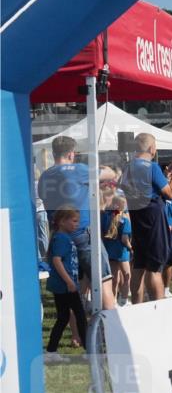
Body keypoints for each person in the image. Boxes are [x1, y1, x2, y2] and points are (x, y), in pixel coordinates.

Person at [36, 135, 115, 310]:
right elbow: (110, 173)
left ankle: (77, 336)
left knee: (71, 288)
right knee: (103, 282)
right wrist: (98, 168)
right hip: (83, 234)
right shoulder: (78, 169)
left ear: (53, 153)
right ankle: (112, 333)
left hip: (59, 237)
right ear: (72, 154)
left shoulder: (44, 177)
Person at [120, 133, 172, 302]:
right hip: (154, 218)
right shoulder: (151, 166)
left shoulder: (128, 167)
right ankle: (158, 307)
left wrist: (165, 175)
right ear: (152, 148)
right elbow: (170, 194)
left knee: (139, 265)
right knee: (154, 267)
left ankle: (137, 305)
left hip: (137, 218)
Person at [45, 208, 89, 359]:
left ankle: (51, 351)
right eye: (74, 221)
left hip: (65, 285)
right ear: (63, 222)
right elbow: (57, 260)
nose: (77, 224)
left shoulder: (63, 237)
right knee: (80, 316)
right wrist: (69, 281)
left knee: (63, 317)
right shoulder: (62, 238)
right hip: (66, 286)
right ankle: (89, 351)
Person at [101, 195, 132, 306]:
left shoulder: (105, 217)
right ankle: (123, 300)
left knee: (113, 277)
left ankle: (113, 300)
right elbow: (124, 239)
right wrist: (130, 247)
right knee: (127, 275)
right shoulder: (125, 220)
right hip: (122, 253)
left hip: (109, 252)